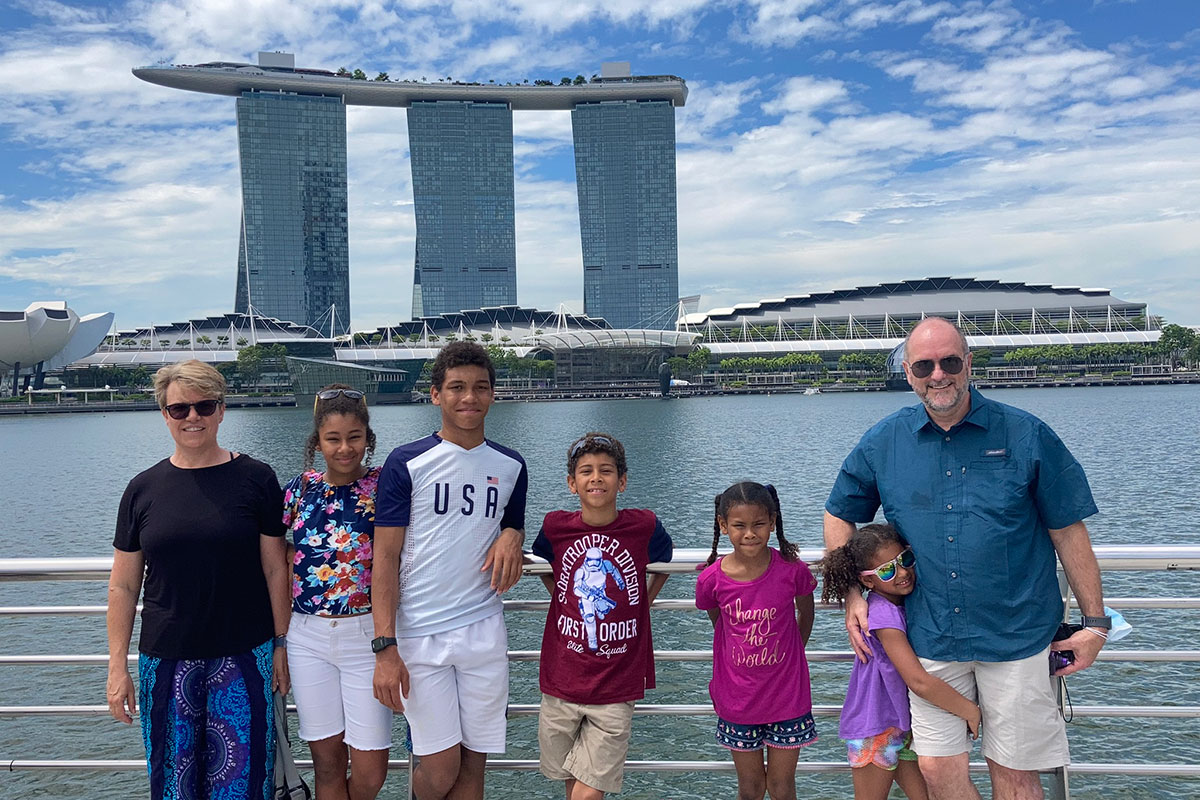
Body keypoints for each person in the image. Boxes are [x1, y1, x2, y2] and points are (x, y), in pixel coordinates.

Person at [824, 316, 1108, 800]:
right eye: (925, 365)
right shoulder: (883, 441)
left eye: (950, 361)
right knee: (935, 769)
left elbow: (1069, 531)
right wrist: (854, 591)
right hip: (931, 636)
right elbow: (839, 516)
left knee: (1016, 776)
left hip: (1017, 635)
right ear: (909, 373)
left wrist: (1095, 623)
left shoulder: (1027, 434)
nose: (939, 375)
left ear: (969, 364)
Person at [106, 359, 291, 800]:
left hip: (245, 654)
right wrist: (117, 664)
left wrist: (282, 643)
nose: (193, 418)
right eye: (179, 409)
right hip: (166, 658)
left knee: (244, 783)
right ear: (164, 414)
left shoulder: (258, 478)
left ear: (222, 410)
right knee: (174, 786)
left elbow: (274, 568)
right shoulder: (142, 488)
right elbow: (123, 585)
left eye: (204, 406)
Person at [371, 342, 528, 800]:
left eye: (480, 388)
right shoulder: (406, 463)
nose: (469, 398)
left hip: (483, 628)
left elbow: (511, 523)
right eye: (456, 387)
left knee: (473, 768)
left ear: (493, 395)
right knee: (439, 768)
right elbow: (385, 557)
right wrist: (385, 647)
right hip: (420, 633)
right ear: (436, 394)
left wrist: (514, 533)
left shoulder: (511, 465)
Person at [531, 432, 674, 799]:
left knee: (589, 792)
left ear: (622, 481)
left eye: (606, 471)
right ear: (571, 482)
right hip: (562, 677)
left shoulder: (642, 526)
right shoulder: (555, 527)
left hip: (615, 683)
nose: (596, 478)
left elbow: (667, 560)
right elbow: (542, 563)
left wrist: (640, 599)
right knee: (571, 783)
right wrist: (565, 597)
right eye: (587, 471)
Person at [282, 385, 390, 799]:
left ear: (368, 438)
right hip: (307, 637)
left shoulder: (385, 486)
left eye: (355, 438)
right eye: (333, 439)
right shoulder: (298, 491)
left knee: (370, 771)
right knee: (327, 767)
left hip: (369, 635)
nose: (345, 449)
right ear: (317, 442)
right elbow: (269, 554)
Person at [821, 523, 981, 800]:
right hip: (877, 727)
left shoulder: (900, 604)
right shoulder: (882, 616)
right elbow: (918, 681)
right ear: (867, 581)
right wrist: (969, 709)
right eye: (887, 570)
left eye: (904, 560)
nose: (903, 573)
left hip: (903, 724)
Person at [695, 482, 817, 800]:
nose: (750, 533)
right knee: (749, 788)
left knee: (781, 786)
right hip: (737, 700)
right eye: (739, 525)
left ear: (773, 522)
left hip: (788, 698)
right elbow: (718, 624)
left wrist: (793, 652)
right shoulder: (711, 579)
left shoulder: (792, 570)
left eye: (759, 524)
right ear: (723, 526)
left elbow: (806, 611)